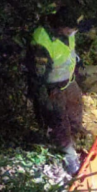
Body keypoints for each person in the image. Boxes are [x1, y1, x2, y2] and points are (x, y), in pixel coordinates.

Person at [27, 11, 83, 174]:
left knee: (75, 112)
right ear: (60, 28)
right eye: (69, 30)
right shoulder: (41, 42)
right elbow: (38, 75)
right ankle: (68, 153)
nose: (72, 34)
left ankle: (74, 136)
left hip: (69, 82)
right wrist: (43, 98)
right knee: (59, 121)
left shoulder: (68, 25)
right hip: (52, 88)